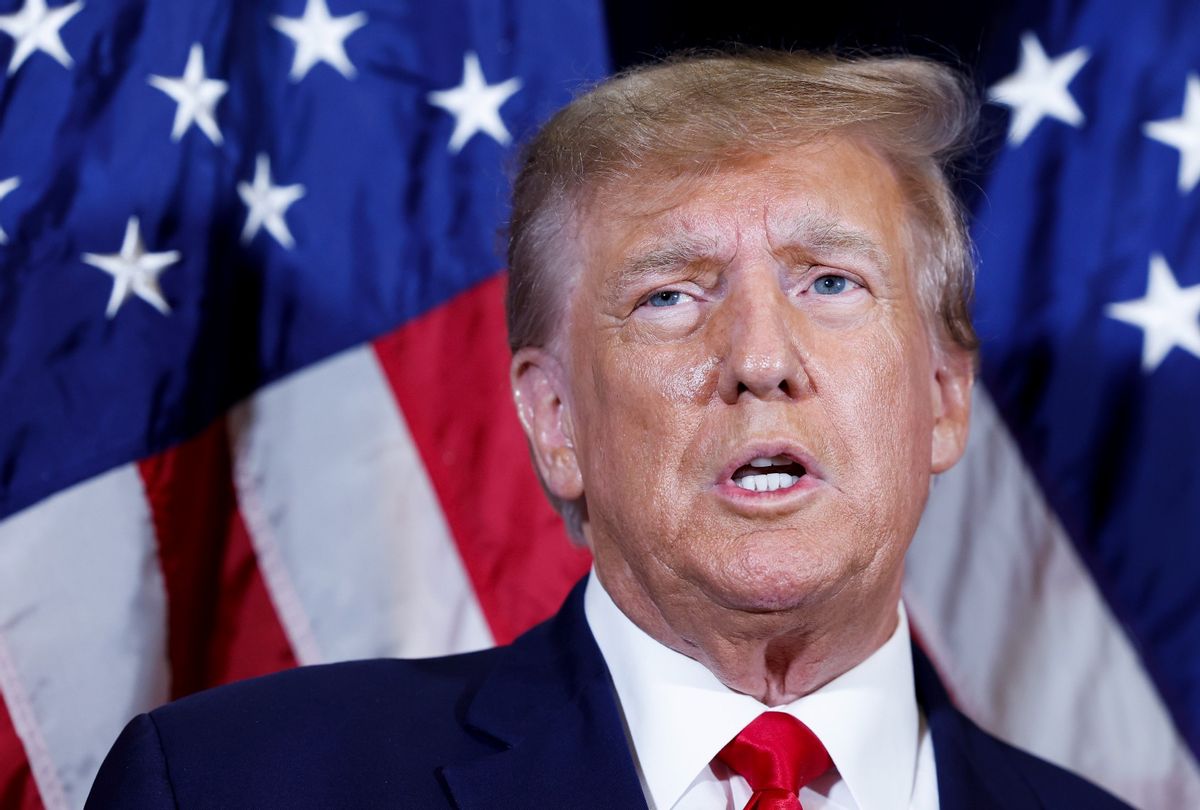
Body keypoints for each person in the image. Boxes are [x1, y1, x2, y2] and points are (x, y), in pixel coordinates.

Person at [86, 50, 1130, 809]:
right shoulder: (239, 785)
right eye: (671, 297)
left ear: (943, 397)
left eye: (829, 280)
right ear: (553, 420)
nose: (761, 360)